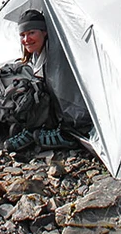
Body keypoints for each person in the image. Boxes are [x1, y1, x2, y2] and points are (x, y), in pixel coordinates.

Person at [5, 9, 79, 152]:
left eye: (31, 33)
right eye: (23, 35)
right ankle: (31, 126)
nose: (26, 39)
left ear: (44, 32)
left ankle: (64, 134)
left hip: (72, 116)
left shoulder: (57, 58)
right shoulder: (36, 55)